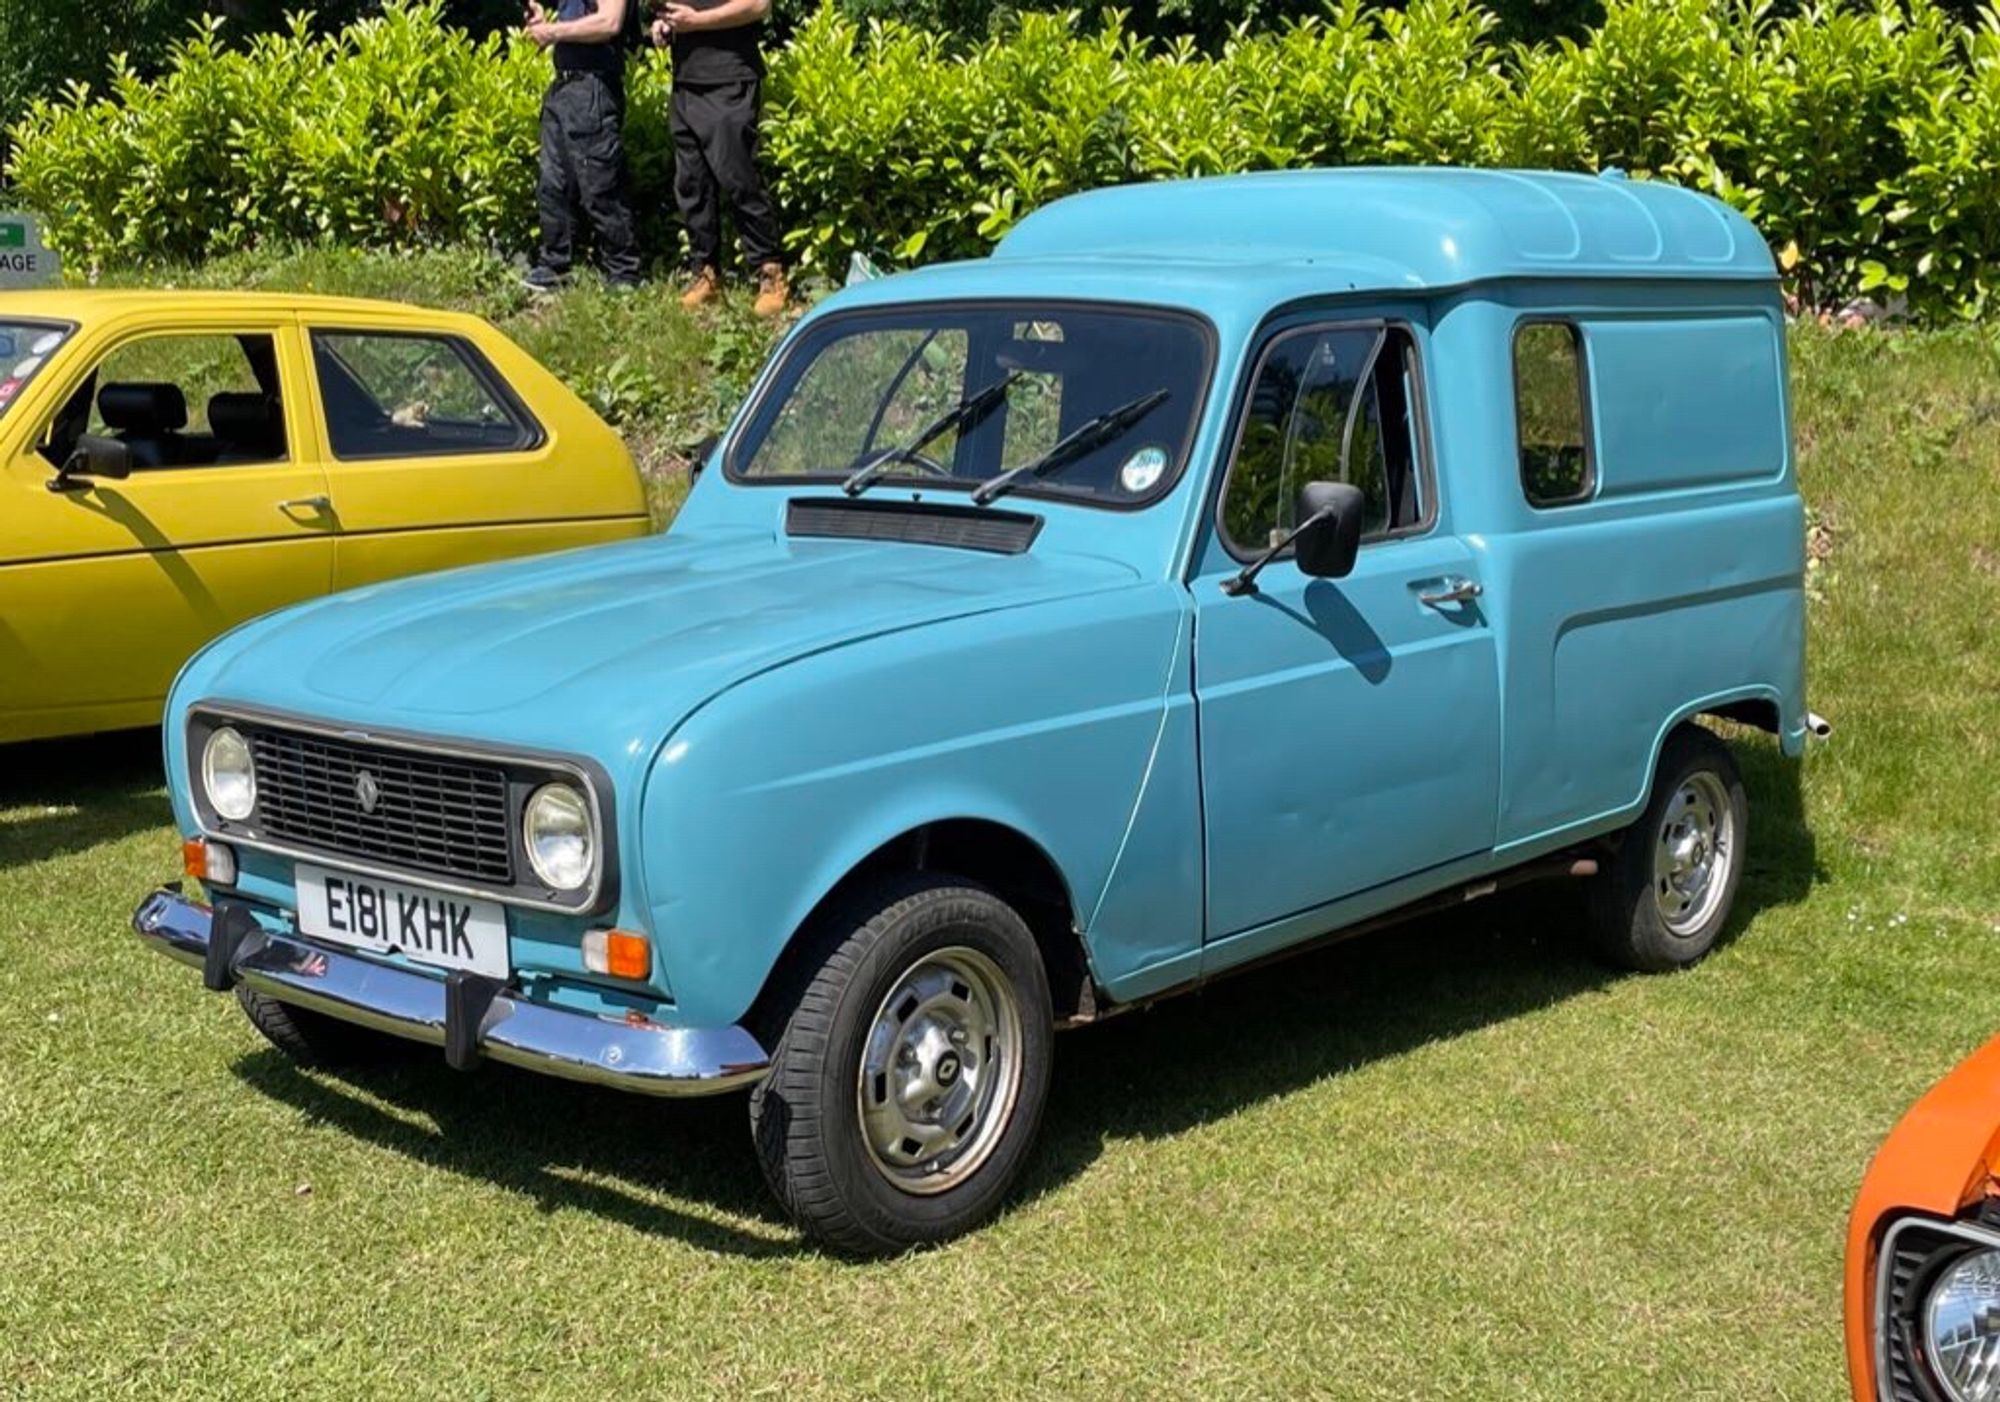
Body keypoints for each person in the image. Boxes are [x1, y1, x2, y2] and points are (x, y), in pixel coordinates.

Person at [653, 0, 788, 316]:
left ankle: (771, 274)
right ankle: (706, 274)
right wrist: (667, 26)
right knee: (692, 184)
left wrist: (696, 21)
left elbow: (758, 5)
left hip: (730, 76)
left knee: (739, 177)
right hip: (686, 79)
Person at [523, 0, 644, 292]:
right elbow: (579, 21)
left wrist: (553, 32)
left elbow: (609, 23)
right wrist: (546, 23)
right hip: (565, 86)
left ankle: (624, 273)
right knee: (554, 185)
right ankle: (555, 267)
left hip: (592, 88)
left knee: (600, 184)